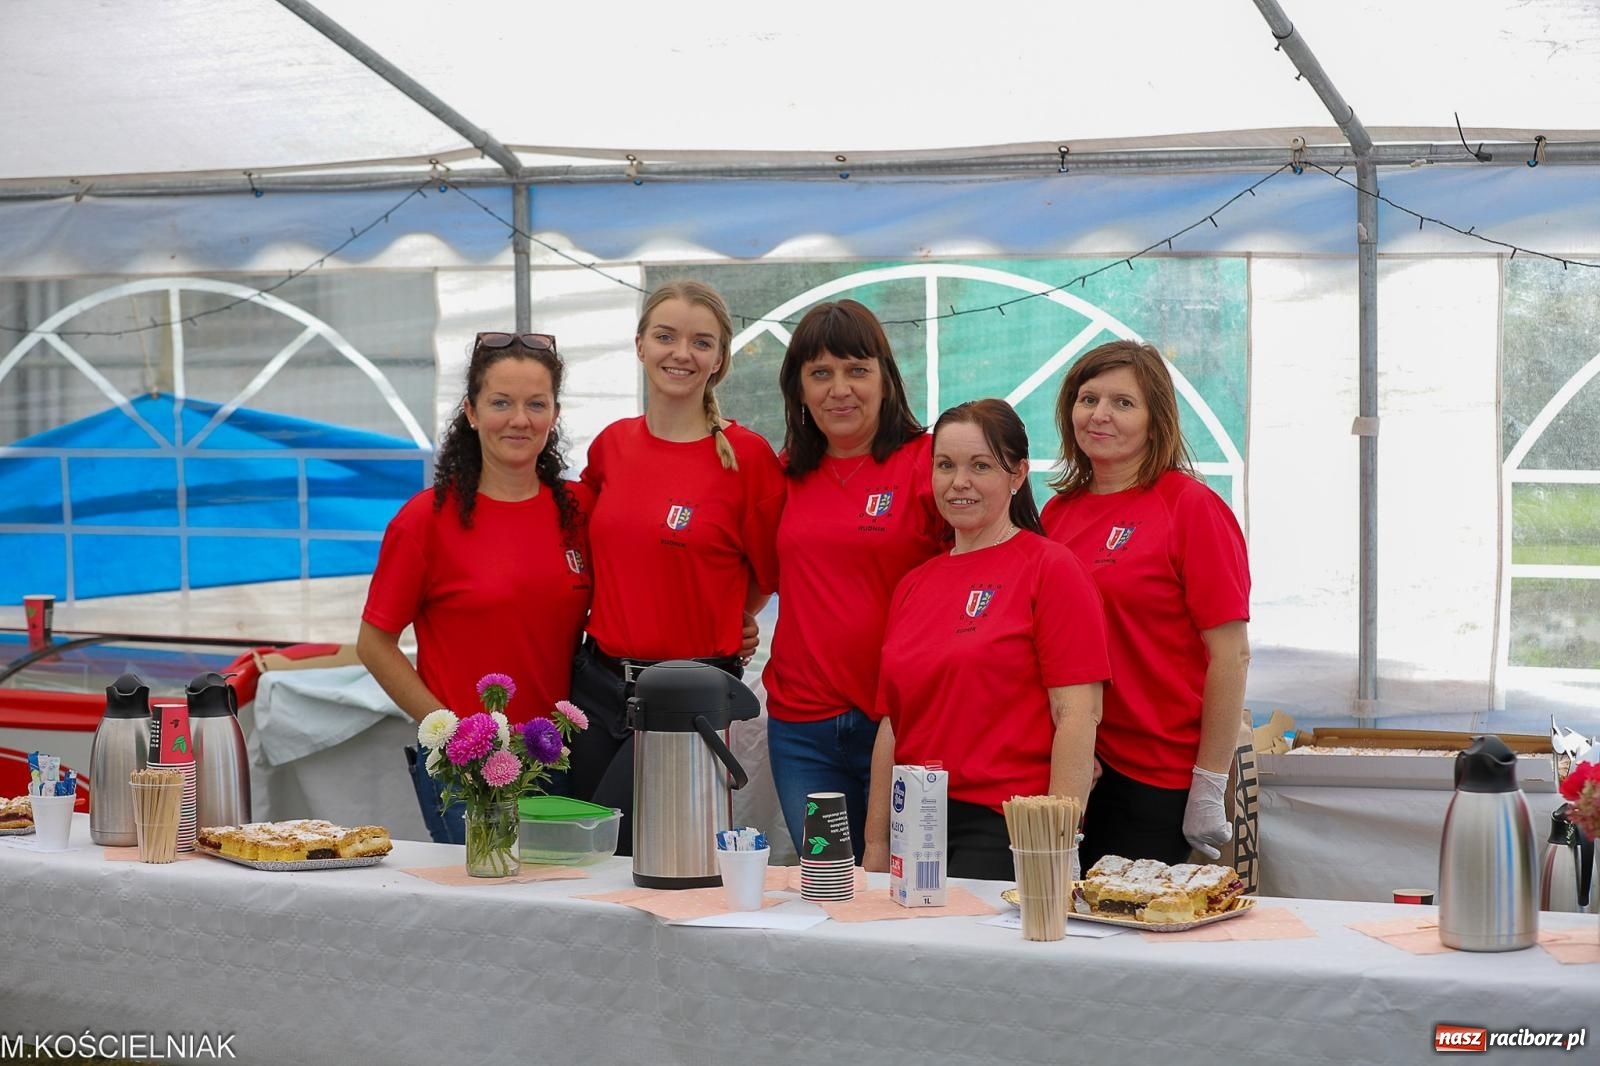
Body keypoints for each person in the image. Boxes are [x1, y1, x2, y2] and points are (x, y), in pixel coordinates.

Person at [567, 281, 785, 855]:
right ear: (640, 345)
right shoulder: (611, 446)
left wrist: (723, 616)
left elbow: (766, 573)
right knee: (576, 864)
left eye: (700, 342)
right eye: (665, 337)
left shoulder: (750, 459)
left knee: (644, 861)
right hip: (596, 685)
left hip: (690, 696)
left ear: (719, 359)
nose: (680, 353)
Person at [358, 331, 593, 844]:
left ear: (554, 414)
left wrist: (738, 616)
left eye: (536, 404)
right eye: (500, 403)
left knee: (555, 913)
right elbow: (374, 643)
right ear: (470, 411)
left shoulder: (579, 511)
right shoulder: (425, 521)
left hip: (557, 758)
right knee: (486, 908)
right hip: (464, 770)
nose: (519, 419)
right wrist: (448, 729)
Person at [863, 399, 1109, 881]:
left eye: (980, 466)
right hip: (915, 817)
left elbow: (1078, 715)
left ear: (1018, 474)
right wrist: (875, 843)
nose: (960, 482)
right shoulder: (914, 584)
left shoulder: (1051, 569)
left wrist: (1056, 843)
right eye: (945, 465)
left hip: (1004, 825)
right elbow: (893, 722)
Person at [1040, 339, 1251, 869]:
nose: (1100, 415)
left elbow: (1231, 655)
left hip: (1157, 775)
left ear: (1156, 421)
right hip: (1075, 767)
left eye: (1122, 402)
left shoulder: (1190, 508)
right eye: (1088, 399)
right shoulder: (1057, 515)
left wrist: (1208, 780)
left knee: (1130, 932)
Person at [764, 300, 945, 864]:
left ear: (886, 380)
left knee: (906, 886)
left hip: (902, 728)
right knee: (831, 884)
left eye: (856, 370)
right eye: (820, 373)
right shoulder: (783, 473)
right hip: (803, 731)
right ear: (798, 388)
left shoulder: (930, 463)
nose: (839, 389)